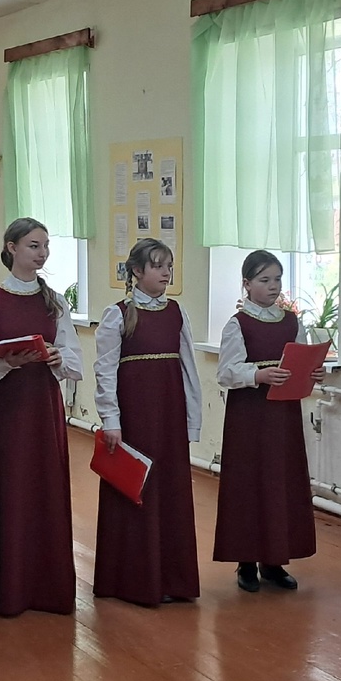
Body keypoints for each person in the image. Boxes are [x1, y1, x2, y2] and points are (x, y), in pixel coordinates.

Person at [0, 218, 82, 617]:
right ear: (11, 248)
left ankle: (44, 586)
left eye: (45, 246)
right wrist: (8, 362)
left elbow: (73, 359)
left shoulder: (55, 301)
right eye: (33, 245)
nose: (42, 253)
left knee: (41, 488)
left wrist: (58, 357)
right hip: (1, 408)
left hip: (42, 405)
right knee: (3, 487)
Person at [93, 237, 201, 606]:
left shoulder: (176, 313)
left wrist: (192, 419)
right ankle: (133, 580)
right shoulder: (118, 315)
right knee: (135, 488)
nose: (166, 272)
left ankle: (172, 578)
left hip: (169, 415)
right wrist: (111, 418)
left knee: (169, 491)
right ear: (137, 271)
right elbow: (105, 370)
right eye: (158, 266)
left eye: (169, 266)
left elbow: (188, 369)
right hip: (135, 416)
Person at [214, 250, 324, 593]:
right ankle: (246, 561)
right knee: (249, 482)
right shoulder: (238, 323)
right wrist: (258, 375)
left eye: (277, 279)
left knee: (280, 480)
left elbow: (300, 359)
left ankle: (274, 560)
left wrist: (313, 372)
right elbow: (226, 372)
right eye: (264, 280)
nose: (273, 286)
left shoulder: (292, 321)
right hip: (249, 415)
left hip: (283, 414)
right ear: (247, 284)